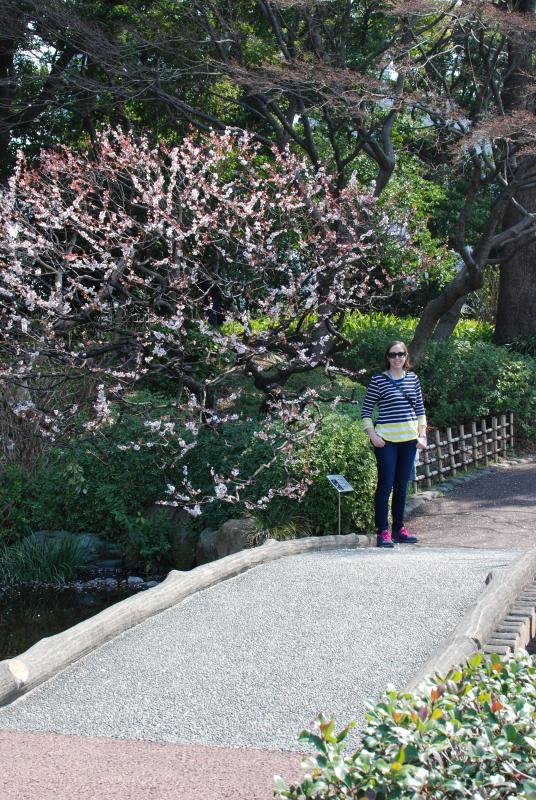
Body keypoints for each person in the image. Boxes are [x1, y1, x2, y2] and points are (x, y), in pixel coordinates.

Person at [361, 341, 427, 548]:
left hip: (409, 441)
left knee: (401, 486)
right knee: (385, 486)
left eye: (401, 354)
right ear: (387, 357)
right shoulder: (378, 380)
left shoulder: (413, 379)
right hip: (386, 442)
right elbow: (366, 411)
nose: (397, 358)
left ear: (406, 356)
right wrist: (373, 435)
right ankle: (382, 531)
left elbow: (420, 410)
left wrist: (422, 436)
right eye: (392, 354)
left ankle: (399, 529)